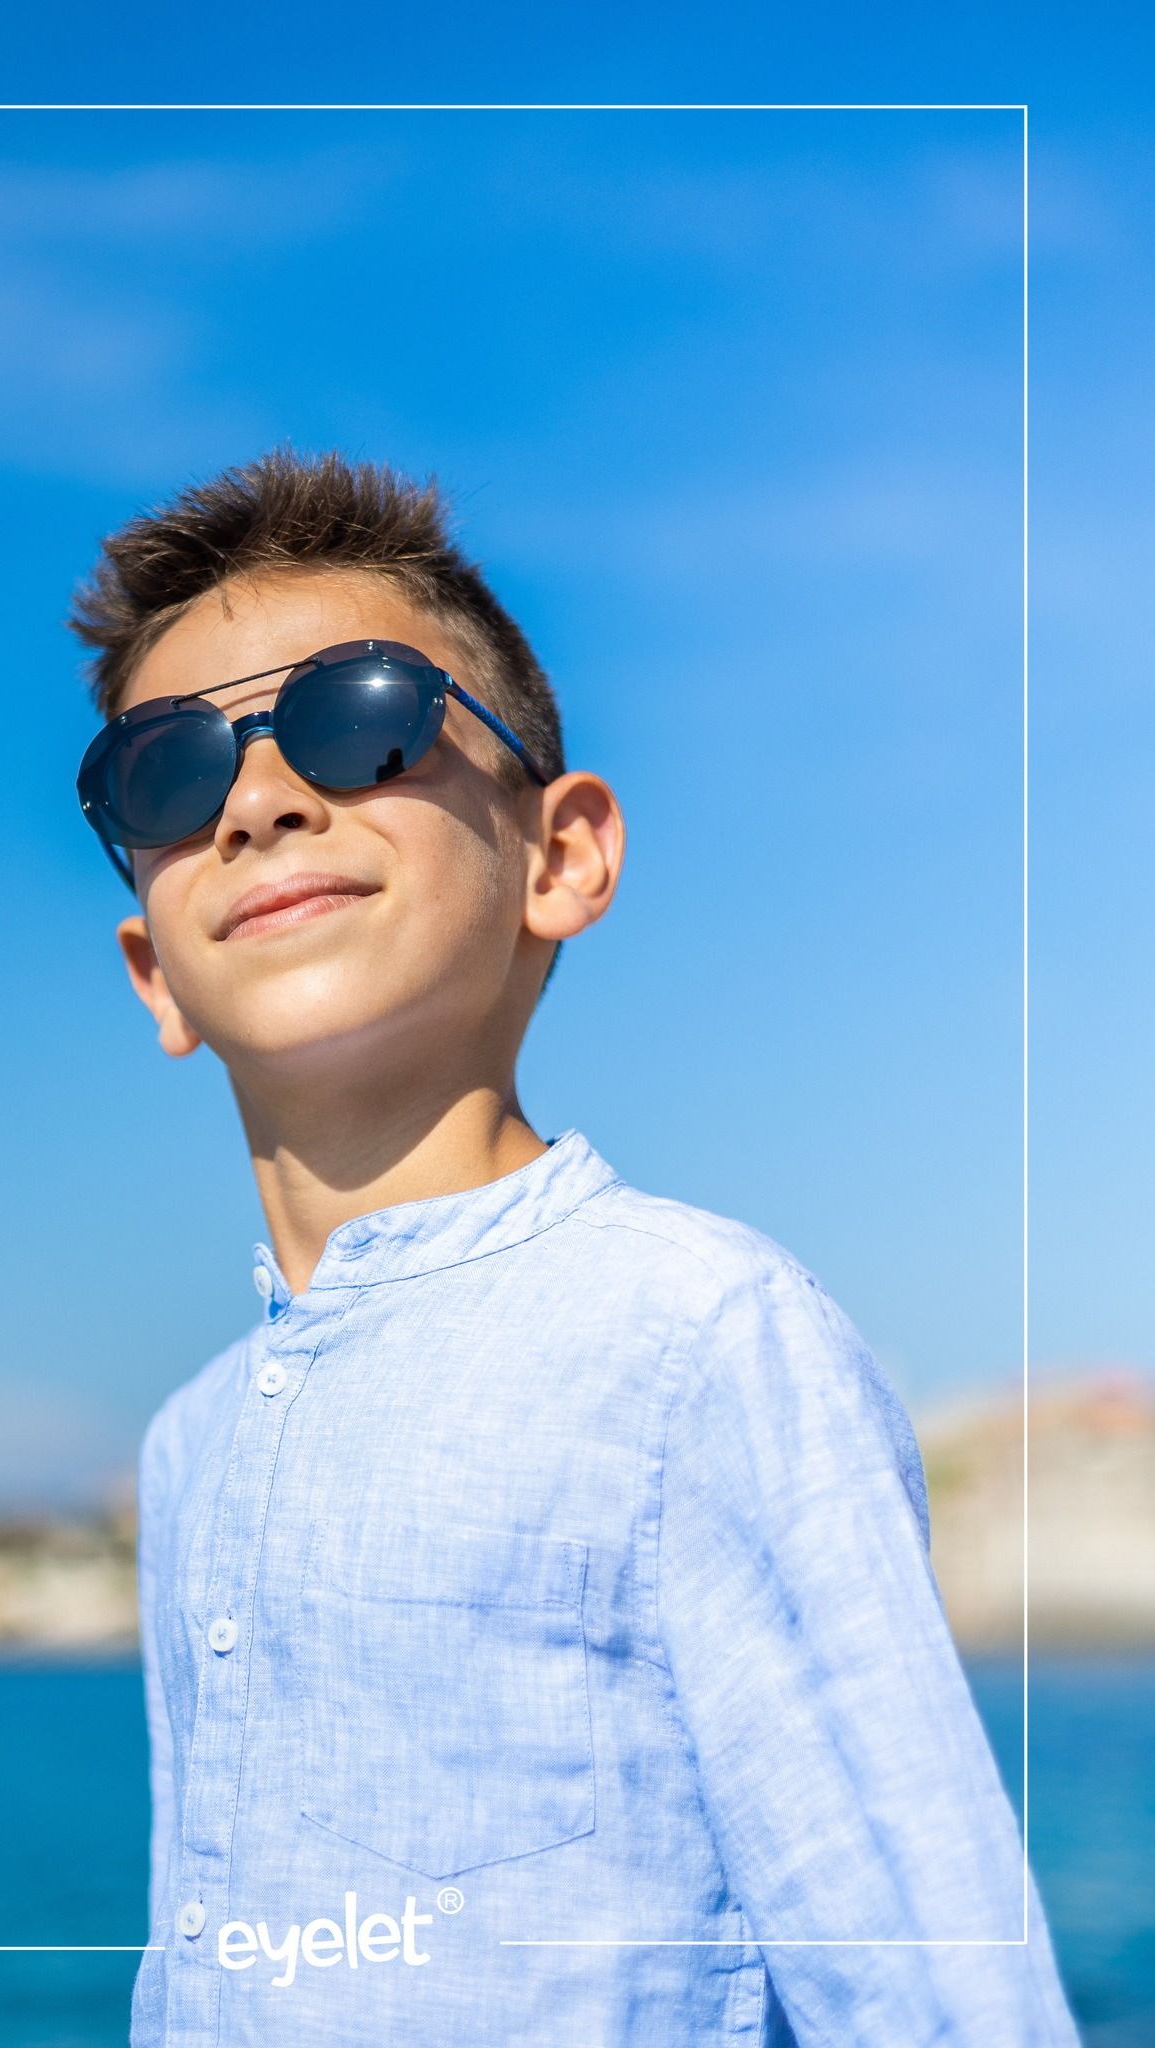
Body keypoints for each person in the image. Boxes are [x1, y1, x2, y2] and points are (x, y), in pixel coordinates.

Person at [66, 446, 1081, 2046]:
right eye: (166, 774)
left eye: (357, 719)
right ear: (153, 974)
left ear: (561, 856)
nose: (258, 800)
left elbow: (924, 1967)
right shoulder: (189, 1443)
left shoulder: (695, 1334)